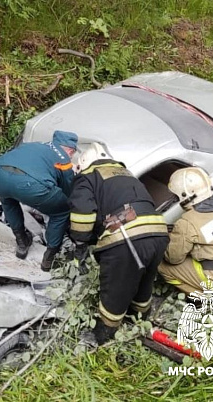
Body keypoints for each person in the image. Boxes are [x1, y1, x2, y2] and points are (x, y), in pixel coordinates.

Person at [68, 142, 169, 345]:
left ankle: (104, 334)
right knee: (144, 279)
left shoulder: (87, 177)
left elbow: (82, 216)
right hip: (159, 231)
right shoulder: (124, 172)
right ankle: (139, 316)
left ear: (82, 164)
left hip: (126, 237)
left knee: (116, 289)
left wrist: (80, 242)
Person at [0, 130, 78, 271]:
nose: (72, 157)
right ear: (70, 150)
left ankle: (22, 242)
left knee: (7, 199)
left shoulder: (33, 145)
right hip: (31, 186)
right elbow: (68, 191)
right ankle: (49, 258)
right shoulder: (63, 159)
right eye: (73, 154)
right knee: (61, 211)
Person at [158, 167, 213, 293]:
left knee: (163, 266)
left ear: (184, 195)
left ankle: (202, 296)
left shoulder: (187, 222)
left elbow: (173, 258)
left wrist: (168, 239)